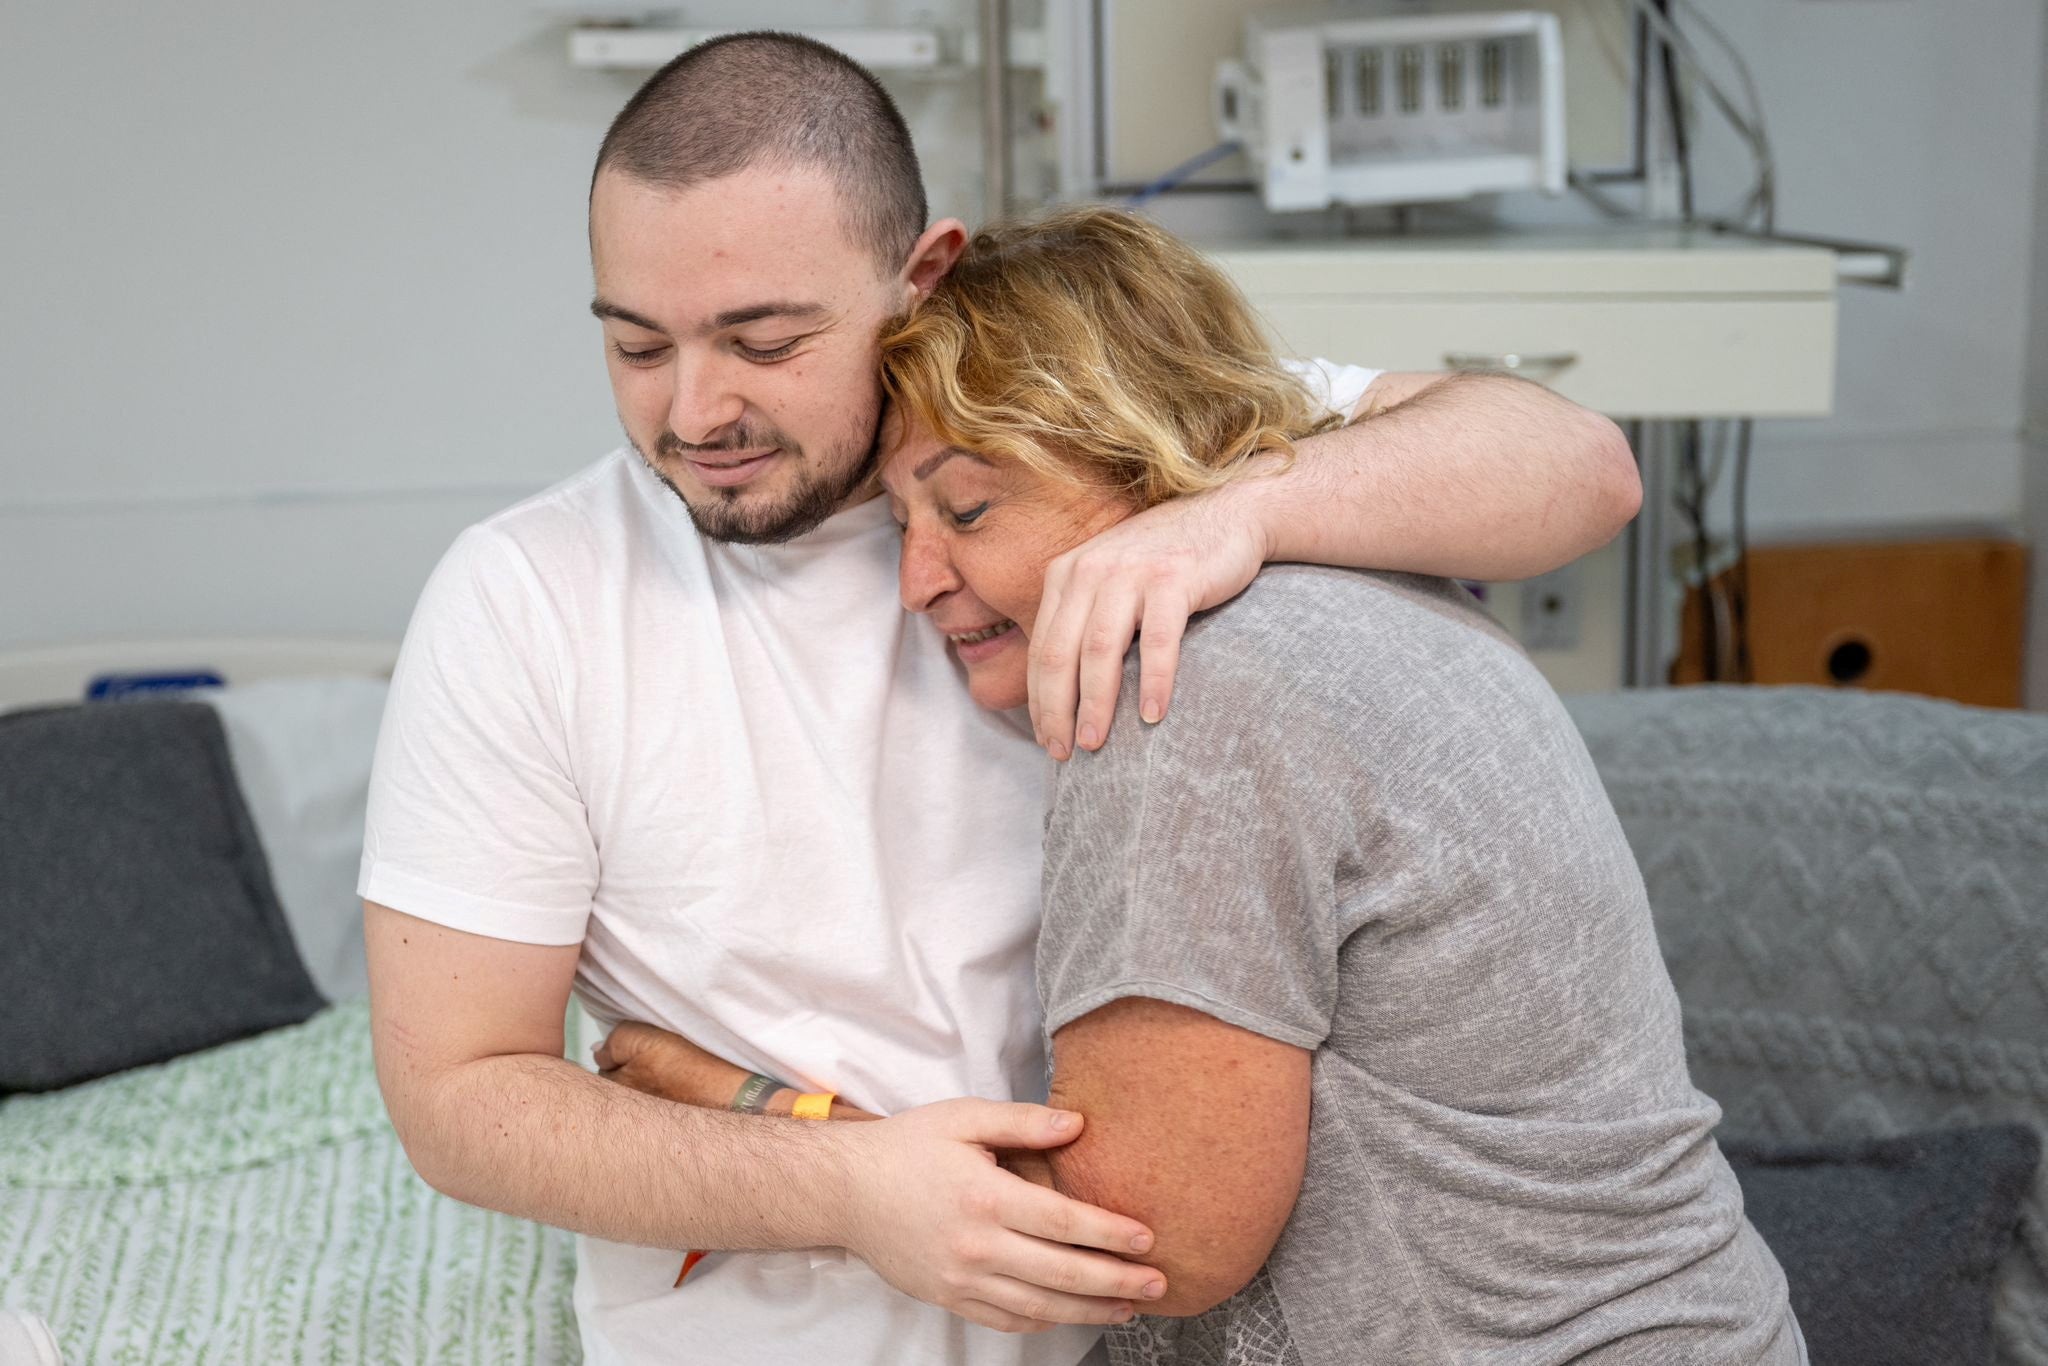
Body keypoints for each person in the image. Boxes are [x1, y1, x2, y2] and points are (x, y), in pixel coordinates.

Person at [360, 32, 1642, 1366]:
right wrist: (847, 1192)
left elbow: (1577, 466)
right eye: (637, 345)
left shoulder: (1087, 441)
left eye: (766, 340)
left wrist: (1237, 519)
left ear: (923, 277)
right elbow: (459, 1095)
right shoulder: (525, 598)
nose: (698, 411)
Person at [600, 205, 1803, 1365]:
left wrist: (748, 1105)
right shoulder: (1376, 577)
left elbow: (1137, 1246)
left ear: (1136, 448)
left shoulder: (1189, 689)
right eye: (902, 524)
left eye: (966, 507)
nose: (918, 580)